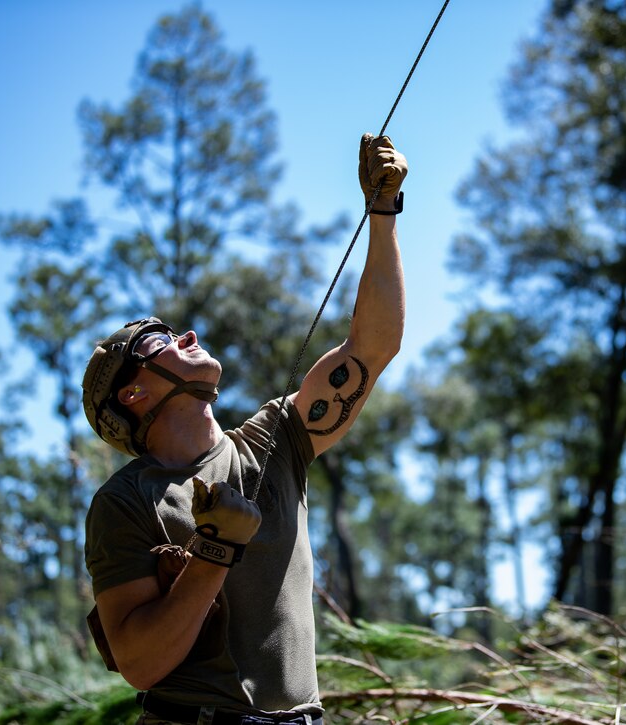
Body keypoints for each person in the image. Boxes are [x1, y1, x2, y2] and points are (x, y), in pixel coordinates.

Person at [80, 133, 407, 725]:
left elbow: (371, 348)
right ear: (134, 395)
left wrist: (382, 213)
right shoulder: (123, 503)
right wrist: (213, 550)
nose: (187, 337)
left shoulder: (273, 442)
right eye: (161, 342)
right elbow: (138, 663)